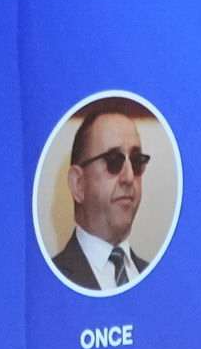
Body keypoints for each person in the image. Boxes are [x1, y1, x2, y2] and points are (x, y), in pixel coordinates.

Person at [48, 96, 161, 294]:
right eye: (113, 160)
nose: (128, 177)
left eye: (136, 161)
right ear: (78, 184)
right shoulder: (49, 281)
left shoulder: (159, 277)